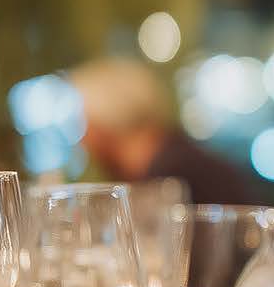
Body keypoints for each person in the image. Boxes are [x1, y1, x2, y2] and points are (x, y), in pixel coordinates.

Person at [68, 58, 250, 205]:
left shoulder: (173, 176)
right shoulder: (172, 158)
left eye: (84, 122)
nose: (82, 138)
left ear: (106, 119)